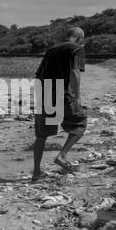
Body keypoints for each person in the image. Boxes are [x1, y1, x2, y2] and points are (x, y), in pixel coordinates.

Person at [32, 27, 87, 180]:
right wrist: (77, 97)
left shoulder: (51, 49)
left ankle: (36, 172)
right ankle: (62, 156)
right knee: (80, 123)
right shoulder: (76, 49)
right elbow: (75, 72)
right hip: (62, 94)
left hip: (44, 93)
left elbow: (39, 74)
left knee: (41, 136)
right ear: (79, 37)